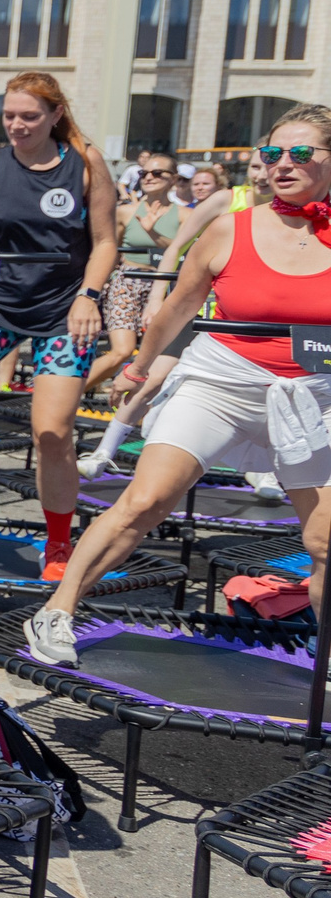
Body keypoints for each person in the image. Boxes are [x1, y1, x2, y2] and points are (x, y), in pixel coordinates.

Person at [27, 107, 331, 660]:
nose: (282, 165)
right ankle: (56, 612)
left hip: (314, 394)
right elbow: (173, 312)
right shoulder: (230, 227)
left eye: (302, 154)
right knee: (145, 500)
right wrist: (138, 369)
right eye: (272, 154)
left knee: (324, 543)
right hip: (222, 381)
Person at [0, 72, 117, 577]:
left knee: (53, 433)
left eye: (29, 116)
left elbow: (105, 242)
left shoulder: (85, 163)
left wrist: (89, 297)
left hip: (63, 311)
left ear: (55, 115)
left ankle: (58, 544)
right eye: (9, 116)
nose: (16, 125)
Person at [85, 152, 184, 397]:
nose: (149, 177)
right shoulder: (125, 212)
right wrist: (90, 292)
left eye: (157, 173)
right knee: (122, 350)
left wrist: (154, 234)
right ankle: (62, 398)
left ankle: (133, 410)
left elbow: (183, 253)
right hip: (127, 281)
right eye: (144, 173)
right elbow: (107, 251)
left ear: (174, 179)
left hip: (164, 286)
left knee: (155, 357)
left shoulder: (185, 216)